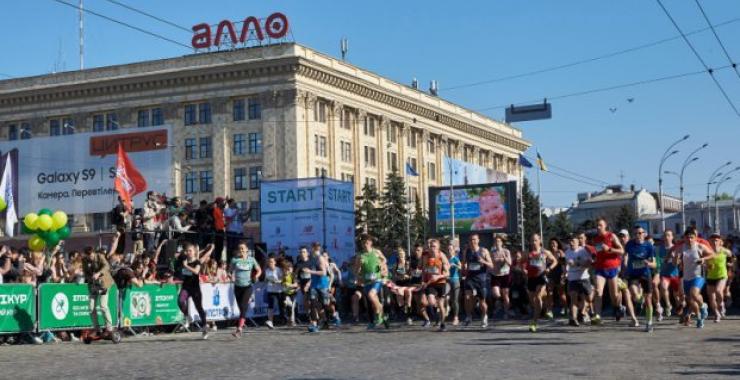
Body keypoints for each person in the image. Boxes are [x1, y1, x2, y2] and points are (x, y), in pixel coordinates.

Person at [676, 227, 715, 328]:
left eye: (691, 237)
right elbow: (675, 262)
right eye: (687, 237)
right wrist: (676, 259)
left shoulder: (699, 246)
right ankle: (699, 317)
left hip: (698, 275)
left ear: (695, 238)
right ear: (684, 238)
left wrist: (703, 259)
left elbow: (712, 255)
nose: (689, 239)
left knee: (694, 294)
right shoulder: (681, 248)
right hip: (686, 277)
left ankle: (702, 307)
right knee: (692, 300)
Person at [591, 218, 625, 325]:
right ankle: (597, 315)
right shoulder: (595, 239)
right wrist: (593, 258)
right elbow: (596, 253)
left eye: (600, 225)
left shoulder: (611, 236)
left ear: (605, 226)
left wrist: (610, 249)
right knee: (598, 291)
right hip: (600, 268)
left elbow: (621, 250)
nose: (598, 227)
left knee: (614, 296)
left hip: (612, 268)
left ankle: (618, 306)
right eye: (597, 225)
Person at [177, 242, 214, 339]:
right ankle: (188, 317)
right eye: (187, 251)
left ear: (194, 252)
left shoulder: (197, 262)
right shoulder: (184, 260)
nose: (188, 252)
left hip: (195, 288)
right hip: (186, 287)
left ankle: (205, 328)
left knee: (199, 308)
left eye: (190, 251)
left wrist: (186, 267)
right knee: (180, 301)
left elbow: (196, 271)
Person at [624, 225, 656, 331]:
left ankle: (649, 322)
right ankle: (639, 299)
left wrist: (648, 263)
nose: (638, 235)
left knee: (648, 300)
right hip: (633, 273)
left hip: (645, 274)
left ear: (644, 234)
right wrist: (624, 265)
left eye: (640, 233)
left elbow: (654, 264)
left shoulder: (649, 246)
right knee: (634, 293)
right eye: (636, 233)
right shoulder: (629, 244)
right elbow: (625, 255)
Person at [354, 235, 389, 329]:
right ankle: (381, 315)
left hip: (377, 279)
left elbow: (385, 260)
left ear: (371, 243)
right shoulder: (360, 255)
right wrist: (357, 278)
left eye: (367, 243)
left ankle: (379, 316)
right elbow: (356, 270)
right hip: (366, 281)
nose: (365, 245)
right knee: (372, 302)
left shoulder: (376, 252)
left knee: (371, 295)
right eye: (363, 243)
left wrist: (382, 267)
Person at [526, 234, 558, 332]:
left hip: (541, 277)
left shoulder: (545, 252)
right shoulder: (528, 253)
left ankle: (534, 322)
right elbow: (520, 262)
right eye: (532, 240)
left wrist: (549, 268)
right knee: (533, 301)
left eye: (535, 240)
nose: (534, 242)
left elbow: (555, 261)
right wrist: (523, 269)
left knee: (537, 296)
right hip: (531, 278)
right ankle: (545, 307)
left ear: (540, 241)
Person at [82, 243, 116, 339]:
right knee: (91, 307)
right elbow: (85, 273)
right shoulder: (84, 260)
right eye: (88, 255)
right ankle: (97, 329)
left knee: (103, 306)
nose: (90, 257)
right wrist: (91, 278)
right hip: (93, 285)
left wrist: (98, 273)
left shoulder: (100, 256)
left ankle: (109, 328)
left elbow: (107, 266)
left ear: (93, 253)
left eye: (91, 255)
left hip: (104, 284)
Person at [462, 234, 493, 327]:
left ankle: (484, 317)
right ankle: (468, 316)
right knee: (467, 297)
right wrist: (464, 268)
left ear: (478, 240)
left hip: (481, 278)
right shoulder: (466, 251)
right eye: (471, 240)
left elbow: (491, 265)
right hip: (470, 278)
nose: (472, 241)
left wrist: (483, 261)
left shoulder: (484, 251)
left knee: (482, 301)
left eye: (474, 240)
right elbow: (464, 264)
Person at [420, 239, 450, 331]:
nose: (432, 248)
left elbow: (447, 273)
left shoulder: (441, 256)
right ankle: (439, 312)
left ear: (438, 247)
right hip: (431, 283)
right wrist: (423, 281)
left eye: (434, 246)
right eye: (430, 246)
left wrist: (438, 277)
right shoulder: (426, 256)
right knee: (431, 301)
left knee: (441, 304)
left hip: (441, 283)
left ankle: (443, 323)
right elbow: (424, 270)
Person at [305, 243, 335, 332]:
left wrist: (310, 271)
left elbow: (323, 273)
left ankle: (329, 319)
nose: (313, 250)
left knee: (324, 305)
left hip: (322, 285)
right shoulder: (312, 259)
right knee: (313, 303)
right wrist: (308, 283)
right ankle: (314, 324)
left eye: (316, 248)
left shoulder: (320, 258)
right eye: (313, 248)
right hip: (314, 285)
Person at [565, 234, 593, 326]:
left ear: (578, 242)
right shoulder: (567, 252)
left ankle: (584, 311)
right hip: (573, 278)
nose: (571, 243)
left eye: (573, 241)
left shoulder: (583, 251)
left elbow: (589, 263)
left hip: (584, 277)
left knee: (589, 298)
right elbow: (568, 264)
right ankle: (573, 318)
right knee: (573, 298)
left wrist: (578, 264)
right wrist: (567, 270)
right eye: (570, 241)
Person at [706, 233, 729, 323]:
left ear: (720, 242)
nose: (714, 242)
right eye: (712, 240)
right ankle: (716, 314)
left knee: (718, 291)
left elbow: (732, 256)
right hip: (710, 276)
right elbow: (704, 263)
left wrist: (731, 265)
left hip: (722, 275)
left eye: (716, 240)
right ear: (709, 241)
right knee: (711, 297)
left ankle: (721, 304)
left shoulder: (724, 251)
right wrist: (707, 266)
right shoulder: (707, 251)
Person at [489, 235, 512, 320]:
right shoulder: (492, 252)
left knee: (505, 295)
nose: (497, 243)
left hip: (505, 274)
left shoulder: (506, 251)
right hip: (495, 275)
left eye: (499, 241)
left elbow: (510, 263)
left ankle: (506, 312)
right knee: (496, 294)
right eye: (496, 241)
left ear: (502, 243)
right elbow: (490, 263)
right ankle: (500, 302)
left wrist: (504, 258)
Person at [546, 238, 567, 317]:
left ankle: (565, 308)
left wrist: (564, 275)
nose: (553, 245)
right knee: (550, 292)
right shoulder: (548, 253)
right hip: (551, 275)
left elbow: (564, 264)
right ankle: (550, 310)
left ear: (557, 244)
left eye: (554, 243)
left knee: (561, 293)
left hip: (559, 274)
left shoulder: (560, 252)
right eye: (551, 243)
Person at [264, 256, 283, 330]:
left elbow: (282, 279)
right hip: (270, 290)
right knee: (270, 306)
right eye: (269, 262)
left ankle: (285, 319)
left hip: (279, 291)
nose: (270, 263)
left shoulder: (278, 270)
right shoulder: (267, 270)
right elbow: (266, 280)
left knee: (281, 306)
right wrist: (266, 281)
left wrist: (277, 281)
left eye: (271, 262)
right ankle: (270, 322)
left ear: (275, 262)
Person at [446, 242, 462, 326]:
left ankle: (456, 317)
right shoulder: (445, 258)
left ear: (453, 251)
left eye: (451, 249)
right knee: (445, 296)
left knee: (455, 300)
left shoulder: (455, 258)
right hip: (447, 280)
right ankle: (447, 308)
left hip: (455, 280)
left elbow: (460, 267)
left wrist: (454, 265)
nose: (449, 251)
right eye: (448, 249)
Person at [281, 261, 298, 326]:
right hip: (286, 293)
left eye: (289, 269)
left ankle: (292, 321)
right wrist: (284, 284)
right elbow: (282, 283)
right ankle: (288, 320)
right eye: (286, 269)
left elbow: (296, 284)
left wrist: (289, 285)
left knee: (292, 308)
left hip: (293, 293)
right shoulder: (284, 276)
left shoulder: (293, 275)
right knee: (286, 304)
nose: (287, 271)